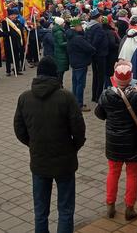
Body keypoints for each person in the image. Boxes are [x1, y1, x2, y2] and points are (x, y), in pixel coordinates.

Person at [14, 56, 86, 233]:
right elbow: (79, 130)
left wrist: (33, 144)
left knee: (40, 211)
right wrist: (72, 147)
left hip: (39, 161)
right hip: (65, 161)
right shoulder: (66, 97)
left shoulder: (25, 98)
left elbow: (19, 129)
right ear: (55, 75)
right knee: (66, 210)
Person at [95, 61, 137, 221]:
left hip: (113, 140)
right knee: (132, 174)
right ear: (130, 78)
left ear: (115, 79)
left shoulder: (106, 94)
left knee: (113, 172)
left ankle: (110, 205)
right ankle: (129, 208)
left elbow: (99, 114)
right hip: (132, 140)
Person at [66, 18, 95, 111]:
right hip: (81, 62)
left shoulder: (70, 36)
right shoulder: (78, 38)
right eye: (80, 26)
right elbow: (89, 48)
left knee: (75, 83)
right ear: (76, 26)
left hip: (74, 62)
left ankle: (74, 102)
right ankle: (79, 104)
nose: (82, 27)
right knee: (80, 84)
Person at [85, 9, 109, 102]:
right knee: (100, 76)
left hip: (94, 54)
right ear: (97, 17)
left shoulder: (89, 26)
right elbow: (96, 41)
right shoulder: (98, 27)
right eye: (100, 16)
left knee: (95, 75)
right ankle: (98, 96)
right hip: (100, 54)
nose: (101, 18)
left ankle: (94, 96)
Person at [52, 17, 69, 85]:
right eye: (63, 23)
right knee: (60, 71)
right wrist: (69, 42)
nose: (64, 24)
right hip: (61, 53)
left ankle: (59, 84)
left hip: (58, 52)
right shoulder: (59, 32)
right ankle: (59, 85)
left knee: (59, 71)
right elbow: (61, 43)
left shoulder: (57, 30)